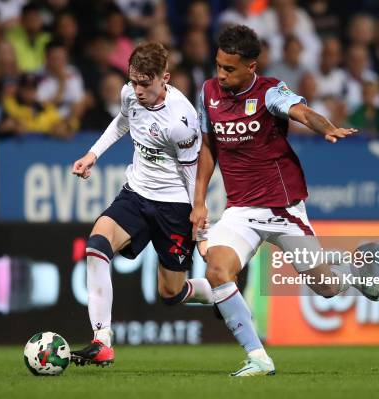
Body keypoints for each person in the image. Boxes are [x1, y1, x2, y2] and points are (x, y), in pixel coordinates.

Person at [190, 25, 379, 377]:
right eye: (218, 65)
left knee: (325, 287)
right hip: (240, 211)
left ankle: (355, 270)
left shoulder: (269, 91)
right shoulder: (207, 93)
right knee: (217, 269)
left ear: (252, 66)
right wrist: (199, 200)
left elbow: (302, 112)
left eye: (229, 68)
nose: (221, 74)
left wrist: (327, 128)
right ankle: (258, 358)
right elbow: (207, 148)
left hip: (283, 210)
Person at [70, 42, 213, 367]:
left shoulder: (181, 119)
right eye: (133, 81)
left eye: (144, 84)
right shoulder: (129, 95)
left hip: (174, 206)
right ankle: (102, 340)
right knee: (96, 246)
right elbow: (123, 121)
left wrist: (201, 231)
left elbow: (193, 176)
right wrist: (93, 154)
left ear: (165, 78)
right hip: (136, 194)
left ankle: (217, 292)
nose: (137, 90)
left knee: (170, 294)